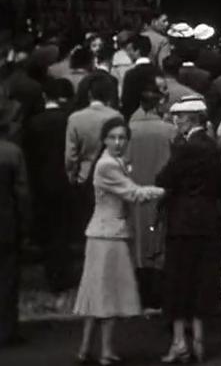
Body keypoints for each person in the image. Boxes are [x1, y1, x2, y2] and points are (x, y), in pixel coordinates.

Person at [73, 117, 164, 364]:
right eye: (112, 137)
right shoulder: (107, 166)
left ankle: (85, 349)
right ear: (104, 139)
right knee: (107, 293)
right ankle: (104, 351)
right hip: (108, 234)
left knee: (96, 291)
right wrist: (165, 191)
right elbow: (133, 193)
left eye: (122, 138)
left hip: (104, 233)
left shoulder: (114, 162)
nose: (117, 142)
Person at [157, 96, 221, 364]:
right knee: (201, 281)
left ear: (190, 119)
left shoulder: (183, 148)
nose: (176, 122)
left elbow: (164, 178)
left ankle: (179, 343)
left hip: (182, 222)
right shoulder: (212, 147)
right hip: (208, 221)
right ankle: (198, 339)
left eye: (179, 117)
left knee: (178, 282)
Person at [126, 84, 176, 309]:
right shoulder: (169, 131)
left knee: (137, 241)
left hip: (135, 191)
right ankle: (159, 293)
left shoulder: (129, 130)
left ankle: (140, 292)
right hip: (162, 191)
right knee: (159, 242)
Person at [24, 78, 75, 295]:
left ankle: (51, 273)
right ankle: (63, 272)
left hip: (42, 182)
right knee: (63, 228)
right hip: (64, 179)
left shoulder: (34, 123)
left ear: (45, 97)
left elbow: (30, 156)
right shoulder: (68, 120)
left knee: (48, 228)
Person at [65, 78, 122, 240]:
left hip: (84, 176)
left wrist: (72, 175)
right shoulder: (116, 116)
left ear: (89, 94)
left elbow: (71, 154)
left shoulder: (75, 118)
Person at [0, 94, 29, 348]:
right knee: (8, 278)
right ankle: (7, 329)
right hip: (6, 222)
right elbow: (22, 193)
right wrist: (25, 224)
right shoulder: (12, 152)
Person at [121, 34, 157, 121]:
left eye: (129, 50)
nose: (128, 54)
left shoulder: (131, 74)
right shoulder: (158, 71)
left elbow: (127, 102)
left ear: (137, 51)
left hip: (134, 119)